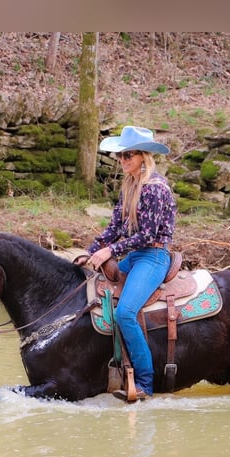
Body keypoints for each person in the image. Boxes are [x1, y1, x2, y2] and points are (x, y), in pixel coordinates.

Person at [86, 126, 177, 402]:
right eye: (120, 156)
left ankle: (145, 381)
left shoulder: (154, 189)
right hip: (136, 256)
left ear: (143, 157)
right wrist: (90, 252)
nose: (122, 160)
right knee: (94, 288)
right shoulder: (129, 187)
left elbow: (147, 235)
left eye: (128, 155)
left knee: (125, 311)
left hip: (154, 256)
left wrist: (111, 251)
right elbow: (114, 228)